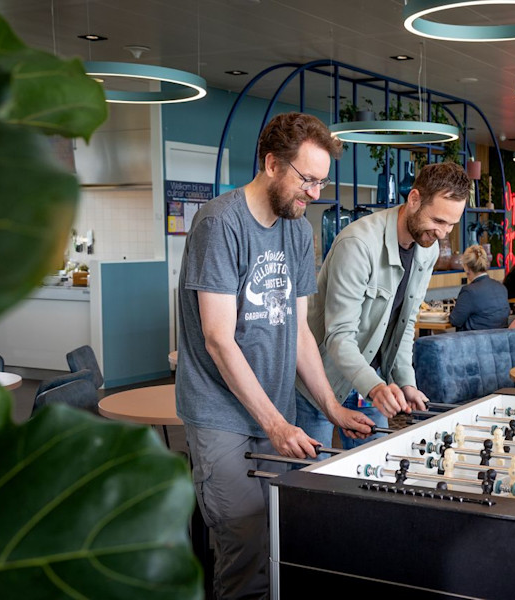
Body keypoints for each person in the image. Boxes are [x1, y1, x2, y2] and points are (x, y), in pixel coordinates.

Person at [175, 112, 373, 599]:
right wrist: (276, 425)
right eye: (307, 180)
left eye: (321, 183)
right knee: (243, 551)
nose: (314, 194)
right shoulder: (220, 223)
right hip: (222, 415)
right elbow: (219, 338)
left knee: (279, 544)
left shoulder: (297, 230)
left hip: (277, 412)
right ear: (271, 164)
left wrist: (331, 407)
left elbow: (300, 330)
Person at [295, 162, 469, 449]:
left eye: (451, 224)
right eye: (438, 221)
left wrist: (406, 382)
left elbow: (405, 322)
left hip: (371, 379)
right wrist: (375, 388)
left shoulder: (429, 248)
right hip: (320, 381)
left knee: (377, 471)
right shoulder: (358, 244)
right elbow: (338, 336)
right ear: (414, 199)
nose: (443, 233)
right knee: (314, 475)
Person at [448, 244, 510, 331]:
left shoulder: (469, 291)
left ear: (466, 268)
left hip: (473, 341)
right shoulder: (501, 287)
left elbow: (455, 321)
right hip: (498, 341)